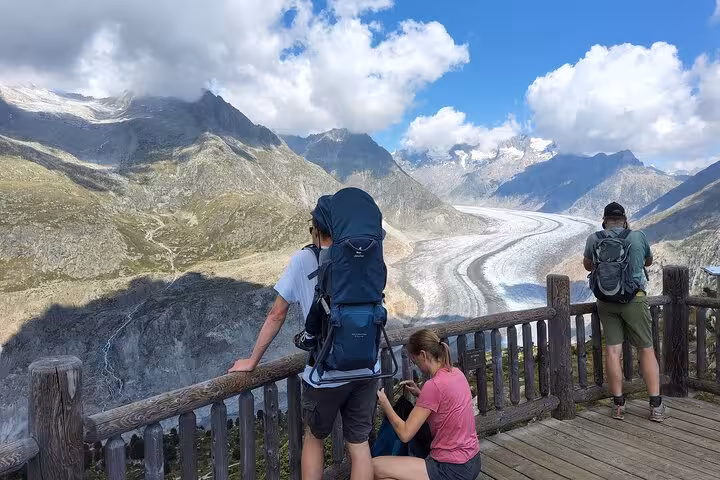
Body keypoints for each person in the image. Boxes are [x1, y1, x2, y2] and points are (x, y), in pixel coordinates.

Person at [228, 197, 377, 480]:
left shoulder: (304, 259)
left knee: (314, 438)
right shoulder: (365, 256)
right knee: (359, 446)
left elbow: (276, 314)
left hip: (325, 370)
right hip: (367, 366)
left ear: (316, 230)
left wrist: (252, 360)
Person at [583, 201, 666, 421]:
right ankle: (656, 406)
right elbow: (648, 261)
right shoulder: (637, 237)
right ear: (625, 219)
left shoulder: (594, 239)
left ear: (604, 220)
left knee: (613, 351)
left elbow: (587, 265)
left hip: (606, 302)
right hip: (634, 300)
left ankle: (618, 405)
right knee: (646, 349)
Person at [373, 329, 480, 480]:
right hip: (473, 461)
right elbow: (445, 404)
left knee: (374, 467)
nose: (414, 364)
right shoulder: (457, 373)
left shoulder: (433, 385)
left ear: (423, 355)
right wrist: (420, 393)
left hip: (450, 468)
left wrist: (384, 402)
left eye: (414, 359)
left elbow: (405, 434)